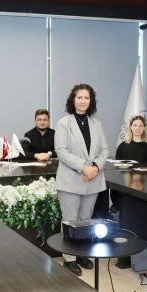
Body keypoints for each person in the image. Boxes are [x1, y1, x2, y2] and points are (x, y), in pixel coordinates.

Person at [54, 84, 109, 276]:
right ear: (73, 100)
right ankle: (69, 258)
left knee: (86, 220)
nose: (83, 101)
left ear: (91, 101)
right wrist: (84, 167)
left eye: (87, 98)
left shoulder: (96, 124)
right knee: (70, 220)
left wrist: (94, 167)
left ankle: (82, 253)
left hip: (92, 179)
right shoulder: (63, 123)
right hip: (70, 179)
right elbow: (61, 151)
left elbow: (104, 150)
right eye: (80, 97)